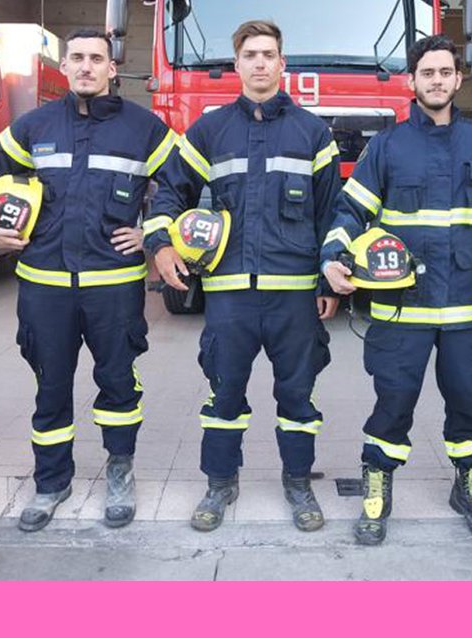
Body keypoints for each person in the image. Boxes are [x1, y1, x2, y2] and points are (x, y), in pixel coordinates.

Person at [321, 35, 472, 546]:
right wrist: (330, 258)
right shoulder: (388, 146)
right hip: (401, 310)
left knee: (470, 402)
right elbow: (350, 211)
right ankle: (377, 484)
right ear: (411, 81)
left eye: (445, 72)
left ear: (459, 79)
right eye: (426, 72)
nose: (436, 80)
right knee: (392, 402)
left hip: (465, 310)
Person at [0, 29, 175, 532]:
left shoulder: (145, 128)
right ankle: (51, 482)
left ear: (112, 69)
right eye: (77, 57)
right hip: (44, 285)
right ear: (65, 65)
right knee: (50, 388)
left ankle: (120, 473)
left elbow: (180, 183)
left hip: (114, 285)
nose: (86, 66)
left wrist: (151, 231)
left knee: (119, 383)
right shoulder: (32, 126)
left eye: (96, 59)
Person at [145, 20, 341, 532]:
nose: (259, 62)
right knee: (224, 394)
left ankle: (298, 484)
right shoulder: (210, 130)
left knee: (298, 398)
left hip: (295, 298)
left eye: (268, 54)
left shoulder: (312, 133)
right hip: (230, 296)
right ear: (237, 65)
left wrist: (327, 283)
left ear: (282, 64)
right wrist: (161, 245)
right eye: (250, 54)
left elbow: (331, 215)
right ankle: (219, 483)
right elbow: (169, 188)